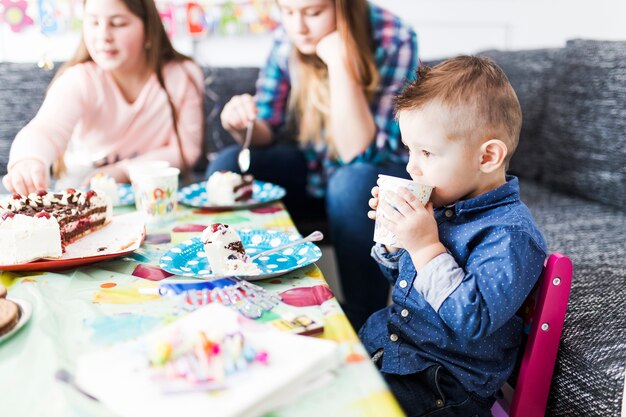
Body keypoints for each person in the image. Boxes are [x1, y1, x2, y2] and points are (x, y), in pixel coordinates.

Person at [209, 0, 418, 329]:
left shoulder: (394, 37)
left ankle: (364, 319)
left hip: (369, 179)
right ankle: (235, 283)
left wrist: (338, 60)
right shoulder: (288, 36)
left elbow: (357, 153)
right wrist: (242, 124)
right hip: (313, 170)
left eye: (313, 12)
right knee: (227, 163)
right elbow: (266, 128)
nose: (298, 27)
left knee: (349, 183)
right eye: (288, 12)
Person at [360, 56, 548, 416]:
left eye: (427, 152)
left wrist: (426, 246)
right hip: (396, 349)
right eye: (410, 150)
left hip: (443, 383)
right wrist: (393, 242)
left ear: (488, 156)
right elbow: (406, 286)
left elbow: (472, 320)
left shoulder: (510, 235)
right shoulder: (448, 202)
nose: (412, 167)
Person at [3, 0, 205, 196]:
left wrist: (123, 171)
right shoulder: (79, 78)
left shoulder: (182, 75)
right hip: (82, 184)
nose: (103, 35)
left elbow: (186, 150)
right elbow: (46, 129)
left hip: (152, 188)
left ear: (149, 31)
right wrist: (28, 159)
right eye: (93, 22)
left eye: (118, 24)